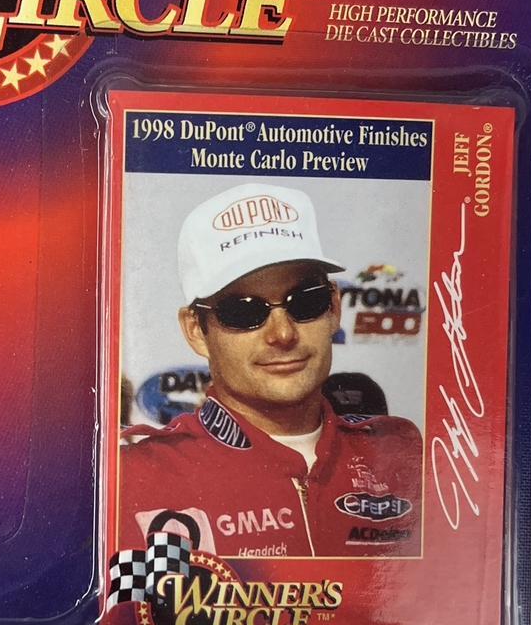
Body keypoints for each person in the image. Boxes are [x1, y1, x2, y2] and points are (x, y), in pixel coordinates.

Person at [118, 181, 423, 559]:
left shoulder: (405, 455)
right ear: (196, 330)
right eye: (243, 311)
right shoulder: (131, 478)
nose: (282, 334)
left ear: (333, 308)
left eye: (305, 302)